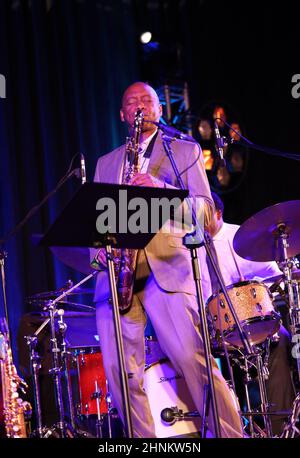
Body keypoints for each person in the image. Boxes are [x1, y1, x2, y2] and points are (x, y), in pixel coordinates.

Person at [90, 81, 244, 438]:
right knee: (120, 376)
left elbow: (205, 213)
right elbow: (97, 225)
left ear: (160, 110)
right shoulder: (105, 163)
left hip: (167, 268)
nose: (139, 106)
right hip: (119, 274)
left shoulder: (184, 150)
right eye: (132, 102)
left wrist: (161, 191)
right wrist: (97, 249)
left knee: (193, 361)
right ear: (122, 114)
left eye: (148, 100)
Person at [198, 192, 295, 435]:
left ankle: (281, 426)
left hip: (253, 322)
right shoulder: (192, 246)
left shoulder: (243, 238)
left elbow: (275, 279)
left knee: (281, 339)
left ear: (218, 214)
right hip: (215, 332)